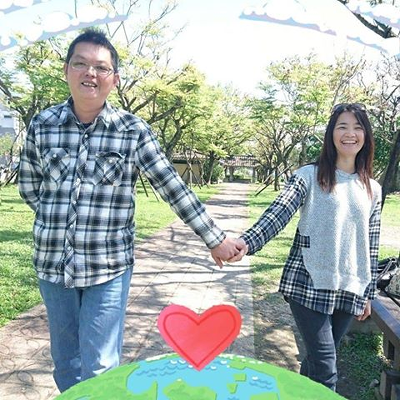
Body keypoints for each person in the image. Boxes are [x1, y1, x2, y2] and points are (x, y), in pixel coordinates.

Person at [18, 29, 245, 392]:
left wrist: (214, 238)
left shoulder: (132, 130)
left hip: (107, 267)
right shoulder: (42, 126)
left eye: (101, 67)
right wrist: (55, 221)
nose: (90, 73)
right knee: (66, 362)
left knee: (100, 367)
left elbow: (171, 185)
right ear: (66, 70)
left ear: (115, 79)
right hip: (52, 265)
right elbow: (30, 186)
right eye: (80, 64)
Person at [229, 103, 381, 391]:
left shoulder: (373, 188)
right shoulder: (309, 175)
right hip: (308, 282)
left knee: (315, 361)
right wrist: (247, 242)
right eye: (342, 127)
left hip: (349, 287)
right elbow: (279, 212)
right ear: (331, 134)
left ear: (366, 136)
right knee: (326, 368)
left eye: (357, 127)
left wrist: (368, 293)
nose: (350, 134)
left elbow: (370, 245)